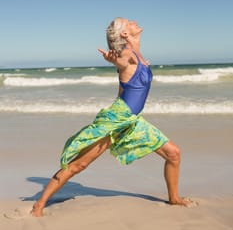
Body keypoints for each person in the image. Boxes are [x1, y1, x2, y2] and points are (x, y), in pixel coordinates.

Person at [31, 17, 191, 217]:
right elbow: (122, 62)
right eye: (129, 22)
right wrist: (116, 61)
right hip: (116, 120)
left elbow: (123, 85)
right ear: (124, 34)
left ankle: (174, 198)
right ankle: (39, 205)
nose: (134, 21)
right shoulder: (126, 54)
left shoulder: (138, 55)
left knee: (173, 154)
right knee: (79, 165)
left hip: (132, 120)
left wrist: (120, 68)